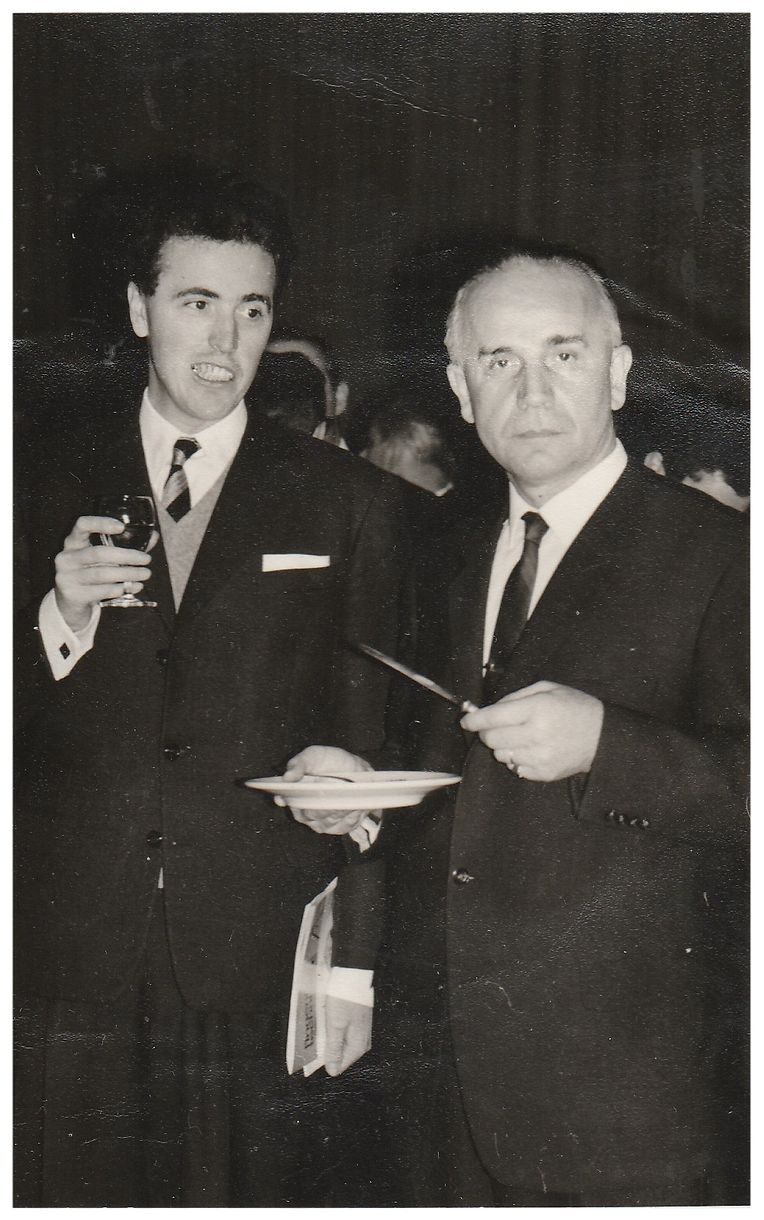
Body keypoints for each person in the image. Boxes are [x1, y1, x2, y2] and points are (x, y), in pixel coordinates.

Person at [283, 247, 749, 1206]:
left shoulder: (723, 554)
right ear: (461, 390)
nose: (532, 391)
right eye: (500, 361)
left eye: (564, 355)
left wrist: (608, 746)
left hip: (627, 1096)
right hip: (438, 1077)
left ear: (618, 373)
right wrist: (357, 790)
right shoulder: (437, 546)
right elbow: (424, 770)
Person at [14, 163, 409, 1206]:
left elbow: (372, 752)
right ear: (138, 308)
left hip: (253, 954)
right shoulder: (32, 479)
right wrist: (59, 618)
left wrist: (352, 969)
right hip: (64, 946)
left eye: (252, 309)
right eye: (196, 303)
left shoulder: (350, 503)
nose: (226, 341)